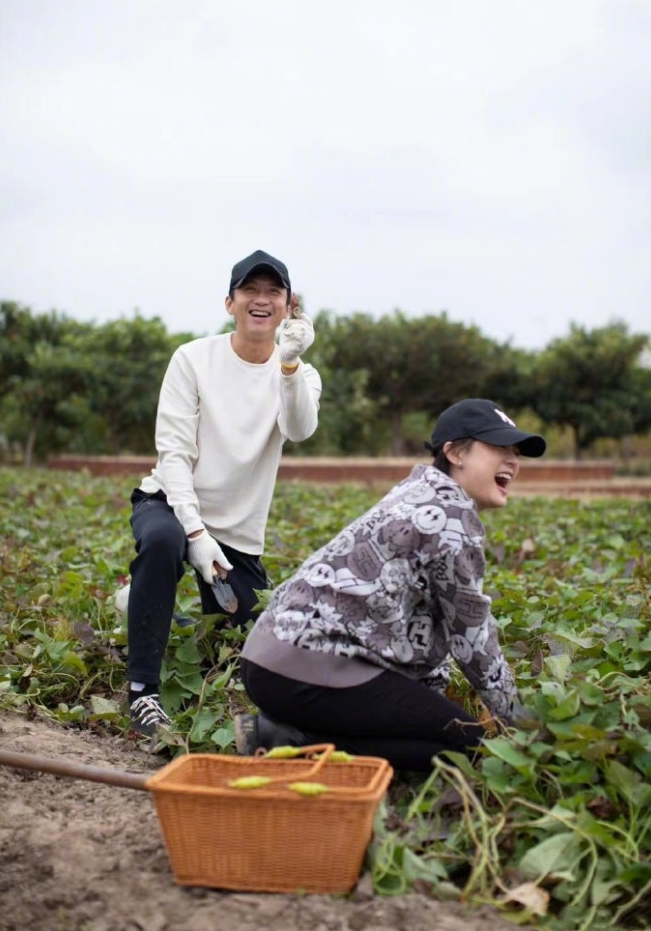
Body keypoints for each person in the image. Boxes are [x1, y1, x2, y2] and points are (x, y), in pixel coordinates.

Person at [235, 398, 546, 772]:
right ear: (454, 453)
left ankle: (291, 730)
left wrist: (423, 700)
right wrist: (520, 724)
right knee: (468, 747)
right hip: (307, 669)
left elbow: (423, 623)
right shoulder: (449, 517)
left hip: (267, 661)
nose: (513, 460)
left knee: (429, 725)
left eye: (516, 452)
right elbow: (472, 637)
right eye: (499, 447)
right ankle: (284, 740)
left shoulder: (416, 492)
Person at [125, 249, 322, 736]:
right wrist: (194, 531)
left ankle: (139, 604)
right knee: (164, 543)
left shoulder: (300, 374)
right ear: (229, 302)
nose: (261, 300)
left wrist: (290, 366)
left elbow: (299, 430)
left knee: (242, 646)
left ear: (289, 305)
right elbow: (173, 453)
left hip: (237, 532)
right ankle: (142, 693)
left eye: (272, 292)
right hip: (171, 504)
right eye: (249, 291)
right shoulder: (193, 358)